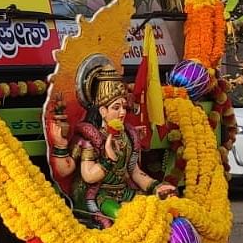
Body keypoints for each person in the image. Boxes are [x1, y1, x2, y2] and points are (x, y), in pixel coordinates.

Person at [48, 64, 175, 228]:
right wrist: (108, 159)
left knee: (155, 210)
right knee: (126, 218)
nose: (122, 113)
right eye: (116, 108)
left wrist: (156, 187)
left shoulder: (128, 136)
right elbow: (87, 176)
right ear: (102, 111)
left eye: (123, 107)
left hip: (124, 192)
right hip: (98, 197)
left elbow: (135, 172)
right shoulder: (90, 138)